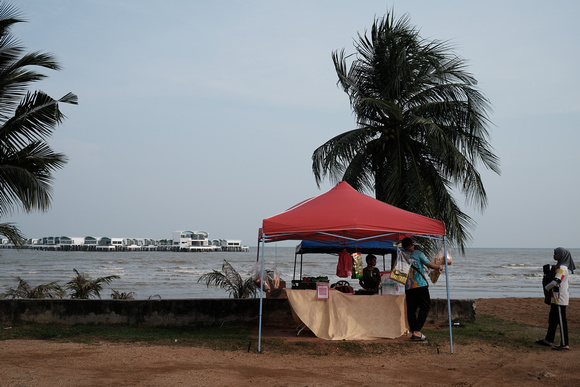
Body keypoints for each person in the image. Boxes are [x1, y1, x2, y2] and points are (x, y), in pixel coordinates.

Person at [401, 237, 442, 341]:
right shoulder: (418, 253)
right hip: (420, 285)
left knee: (411, 310)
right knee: (425, 306)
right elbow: (430, 265)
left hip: (408, 286)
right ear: (411, 244)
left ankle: (414, 331)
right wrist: (438, 267)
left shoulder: (401, 255)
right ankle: (417, 331)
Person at [536, 247, 576, 350]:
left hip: (560, 299)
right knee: (552, 319)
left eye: (556, 254)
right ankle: (548, 340)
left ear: (561, 255)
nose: (554, 255)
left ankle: (564, 344)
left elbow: (556, 281)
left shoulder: (562, 268)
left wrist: (546, 288)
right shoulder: (560, 267)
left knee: (561, 321)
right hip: (556, 298)